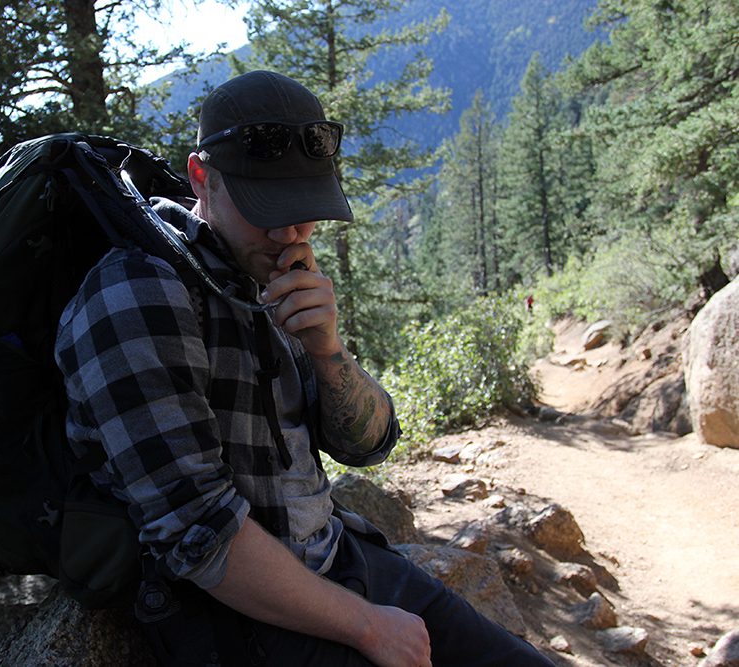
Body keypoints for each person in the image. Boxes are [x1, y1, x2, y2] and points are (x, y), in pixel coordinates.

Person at [55, 70, 554, 667]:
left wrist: (326, 351)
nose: (289, 231)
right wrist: (368, 627)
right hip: (241, 616)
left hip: (338, 559)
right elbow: (199, 533)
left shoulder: (267, 275)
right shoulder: (137, 293)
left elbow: (369, 445)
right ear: (200, 179)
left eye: (304, 208)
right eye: (266, 206)